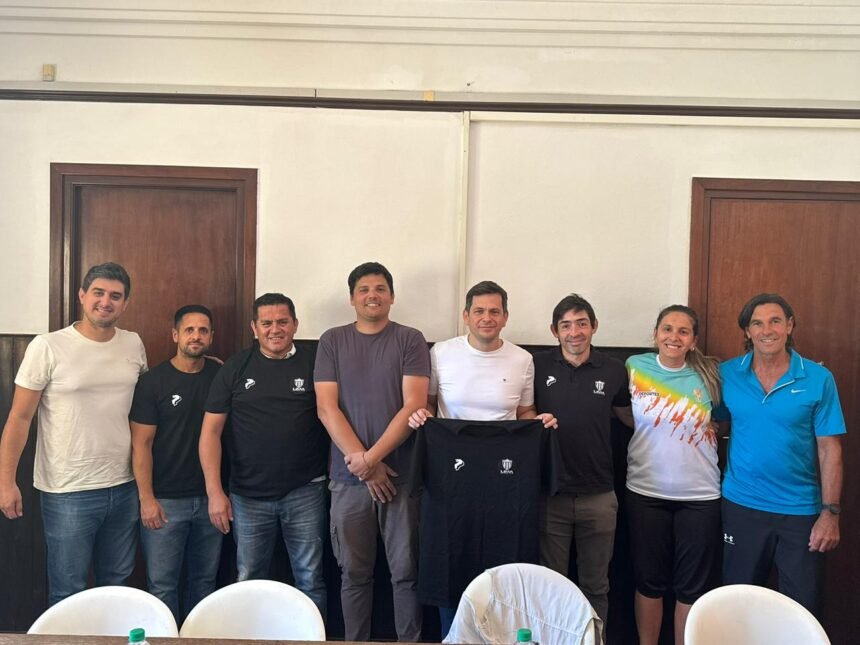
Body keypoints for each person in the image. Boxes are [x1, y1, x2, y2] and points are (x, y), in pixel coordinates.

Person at [408, 280, 557, 636]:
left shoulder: (522, 359)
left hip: (505, 479)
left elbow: (525, 413)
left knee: (504, 561)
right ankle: (453, 637)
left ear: (505, 317)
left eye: (494, 311)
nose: (486, 318)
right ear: (466, 316)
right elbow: (430, 405)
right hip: (451, 475)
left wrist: (539, 423)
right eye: (479, 311)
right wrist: (420, 416)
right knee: (450, 556)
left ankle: (501, 637)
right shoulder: (441, 353)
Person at [0, 262, 147, 605]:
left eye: (115, 296)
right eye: (98, 293)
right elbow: (19, 418)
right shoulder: (48, 346)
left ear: (125, 303)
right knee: (68, 591)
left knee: (117, 586)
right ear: (82, 295)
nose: (105, 302)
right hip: (67, 491)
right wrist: (6, 482)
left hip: (125, 486)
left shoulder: (133, 343)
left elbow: (147, 405)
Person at [315, 261, 430, 642]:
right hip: (348, 480)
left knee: (406, 574)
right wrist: (364, 466)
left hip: (400, 477)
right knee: (353, 574)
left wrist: (372, 459)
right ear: (352, 299)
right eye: (363, 289)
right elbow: (326, 408)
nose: (372, 296)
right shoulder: (332, 340)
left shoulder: (410, 339)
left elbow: (414, 405)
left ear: (391, 296)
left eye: (380, 288)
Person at [199, 293, 329, 618]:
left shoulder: (315, 364)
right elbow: (210, 433)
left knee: (311, 579)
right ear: (254, 328)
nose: (275, 329)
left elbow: (334, 417)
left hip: (305, 491)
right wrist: (215, 493)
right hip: (247, 496)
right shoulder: (235, 367)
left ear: (295, 325)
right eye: (267, 323)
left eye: (282, 322)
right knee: (249, 579)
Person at [719, 293, 845, 615]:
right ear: (747, 331)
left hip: (800, 512)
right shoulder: (727, 374)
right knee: (738, 607)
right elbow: (711, 425)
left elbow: (829, 449)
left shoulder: (818, 379)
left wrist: (830, 514)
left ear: (789, 326)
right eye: (757, 323)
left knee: (801, 611)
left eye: (775, 321)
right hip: (741, 506)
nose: (767, 330)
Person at [532, 293, 632, 632]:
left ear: (594, 326)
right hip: (552, 494)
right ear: (554, 331)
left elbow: (630, 417)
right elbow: (521, 411)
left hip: (600, 496)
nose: (574, 332)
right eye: (566, 325)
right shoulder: (536, 366)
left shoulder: (614, 370)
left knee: (596, 586)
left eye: (581, 323)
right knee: (551, 586)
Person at [625, 305, 722, 645]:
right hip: (645, 492)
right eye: (667, 329)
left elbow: (724, 421)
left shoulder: (710, 376)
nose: (674, 337)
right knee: (648, 583)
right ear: (656, 334)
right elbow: (621, 411)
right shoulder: (634, 367)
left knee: (691, 588)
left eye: (683, 331)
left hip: (700, 496)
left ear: (693, 340)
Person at [129, 304, 222, 622]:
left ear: (211, 336)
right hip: (165, 502)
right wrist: (147, 499)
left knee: (205, 583)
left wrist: (219, 494)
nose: (196, 336)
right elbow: (141, 445)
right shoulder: (153, 382)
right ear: (175, 335)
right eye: (189, 330)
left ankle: (199, 639)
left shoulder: (221, 376)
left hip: (211, 500)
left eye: (203, 330)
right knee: (162, 586)